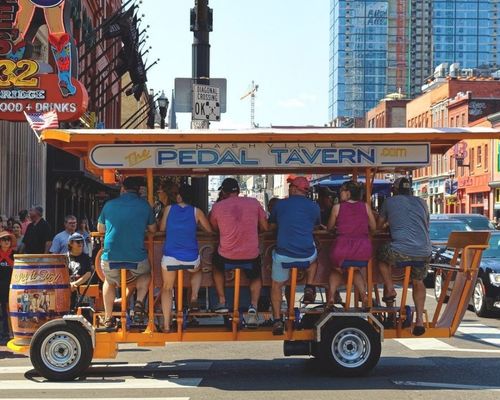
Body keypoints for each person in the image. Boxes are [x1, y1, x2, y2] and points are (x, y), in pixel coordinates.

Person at [97, 177, 157, 329]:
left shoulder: (109, 205)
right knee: (146, 275)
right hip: (136, 256)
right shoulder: (145, 206)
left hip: (111, 255)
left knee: (109, 282)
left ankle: (108, 317)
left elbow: (100, 229)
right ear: (139, 191)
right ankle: (138, 303)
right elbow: (153, 230)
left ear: (122, 188)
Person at [209, 177, 269, 328]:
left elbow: (214, 229)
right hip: (250, 255)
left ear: (223, 192)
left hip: (226, 255)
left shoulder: (218, 207)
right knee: (256, 275)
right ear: (239, 191)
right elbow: (265, 227)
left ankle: (222, 301)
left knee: (216, 265)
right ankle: (253, 305)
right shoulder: (254, 203)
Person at [376, 177, 431, 336]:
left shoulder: (389, 202)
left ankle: (390, 288)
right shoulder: (422, 202)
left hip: (400, 250)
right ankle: (419, 319)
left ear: (395, 190)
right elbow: (426, 225)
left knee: (381, 255)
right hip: (424, 251)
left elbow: (378, 227)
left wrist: (388, 224)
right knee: (418, 281)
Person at [268, 176, 321, 335]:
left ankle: (277, 320)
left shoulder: (280, 205)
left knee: (276, 285)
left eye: (291, 186)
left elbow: (271, 226)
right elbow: (316, 225)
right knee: (314, 260)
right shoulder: (314, 206)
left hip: (283, 255)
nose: (289, 188)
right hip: (306, 255)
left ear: (295, 189)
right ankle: (309, 287)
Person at [158, 184, 213, 332]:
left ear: (179, 196)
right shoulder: (197, 212)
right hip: (190, 258)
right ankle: (194, 297)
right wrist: (196, 226)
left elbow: (162, 229)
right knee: (197, 270)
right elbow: (209, 230)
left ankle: (167, 325)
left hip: (170, 258)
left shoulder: (168, 209)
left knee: (167, 288)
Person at [327, 181, 376, 308]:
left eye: (342, 191)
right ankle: (364, 296)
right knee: (355, 268)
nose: (340, 193)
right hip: (363, 249)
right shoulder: (365, 206)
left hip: (342, 248)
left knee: (336, 269)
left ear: (348, 193)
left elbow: (330, 227)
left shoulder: (337, 207)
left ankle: (331, 297)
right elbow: (374, 227)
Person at [66, 232, 92, 308]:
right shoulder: (64, 257)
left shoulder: (86, 258)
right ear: (71, 243)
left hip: (83, 291)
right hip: (68, 290)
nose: (80, 243)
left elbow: (88, 273)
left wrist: (76, 284)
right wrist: (69, 285)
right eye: (77, 241)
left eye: (81, 241)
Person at [0, 231, 16, 343]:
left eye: (8, 240)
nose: (6, 241)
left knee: (7, 311)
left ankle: (6, 334)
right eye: (4, 239)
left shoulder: (15, 254)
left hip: (10, 287)